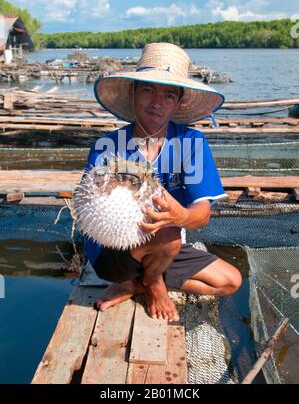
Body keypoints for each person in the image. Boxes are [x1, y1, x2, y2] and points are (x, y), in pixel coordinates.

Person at [83, 42, 242, 322]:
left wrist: (181, 215)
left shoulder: (191, 143)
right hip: (114, 248)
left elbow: (201, 214)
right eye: (147, 89)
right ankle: (153, 286)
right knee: (168, 234)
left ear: (178, 103)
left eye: (168, 95)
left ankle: (137, 284)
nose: (157, 102)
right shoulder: (107, 146)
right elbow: (90, 205)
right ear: (133, 92)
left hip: (164, 248)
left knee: (230, 281)